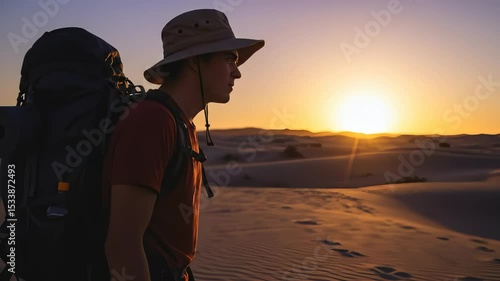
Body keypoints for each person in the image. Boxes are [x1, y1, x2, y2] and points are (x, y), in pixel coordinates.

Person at [102, 9, 264, 281]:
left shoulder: (180, 124)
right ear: (195, 61)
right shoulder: (153, 123)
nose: (237, 73)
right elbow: (122, 246)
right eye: (229, 59)